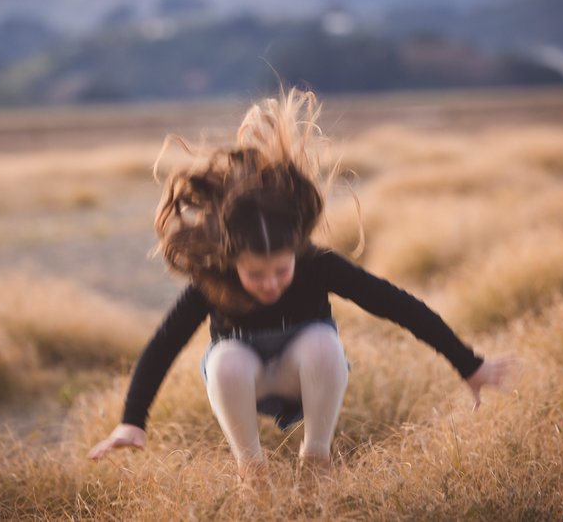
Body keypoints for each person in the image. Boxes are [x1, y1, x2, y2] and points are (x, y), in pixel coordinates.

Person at [88, 88, 513, 475]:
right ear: (233, 261)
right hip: (244, 379)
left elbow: (398, 306)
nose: (270, 284)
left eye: (281, 270)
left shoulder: (317, 264)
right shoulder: (212, 279)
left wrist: (469, 365)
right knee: (226, 361)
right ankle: (250, 471)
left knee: (322, 344)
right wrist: (132, 421)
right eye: (256, 274)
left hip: (305, 371)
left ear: (296, 251)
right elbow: (164, 344)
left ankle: (317, 457)